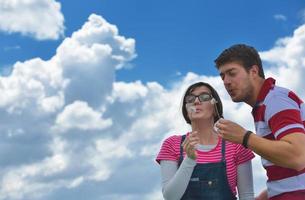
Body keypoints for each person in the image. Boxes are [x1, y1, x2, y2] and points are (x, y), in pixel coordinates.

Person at [214, 44, 305, 200]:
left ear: (254, 71)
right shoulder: (265, 104)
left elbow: (298, 157)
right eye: (223, 76)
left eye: (232, 73)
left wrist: (244, 137)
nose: (226, 81)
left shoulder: (275, 100)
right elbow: (288, 179)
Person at [156, 81, 255, 200]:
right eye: (190, 98)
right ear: (186, 110)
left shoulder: (236, 144)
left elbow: (247, 196)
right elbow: (170, 197)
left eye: (204, 97)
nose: (196, 101)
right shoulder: (172, 144)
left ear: (215, 107)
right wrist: (189, 160)